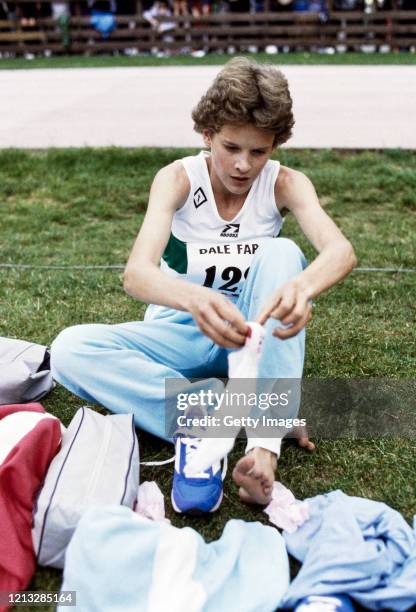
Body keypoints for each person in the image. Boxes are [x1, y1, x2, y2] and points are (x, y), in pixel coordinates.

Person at [51, 57, 357, 515]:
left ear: (275, 145)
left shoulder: (285, 184)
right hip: (182, 329)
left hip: (252, 336)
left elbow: (340, 251)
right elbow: (137, 273)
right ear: (207, 133)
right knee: (69, 349)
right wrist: (197, 299)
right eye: (231, 147)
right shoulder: (177, 178)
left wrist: (303, 287)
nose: (242, 165)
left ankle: (263, 449)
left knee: (281, 255)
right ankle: (209, 408)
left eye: (259, 152)